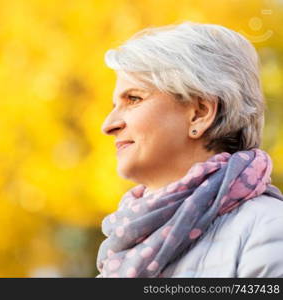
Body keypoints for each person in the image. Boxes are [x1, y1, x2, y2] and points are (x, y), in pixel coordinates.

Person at [96, 22, 283, 278]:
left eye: (133, 99)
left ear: (200, 114)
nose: (108, 125)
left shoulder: (268, 228)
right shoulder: (125, 243)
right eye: (114, 104)